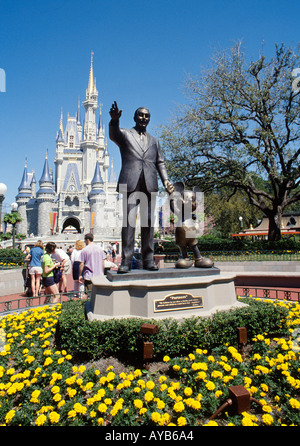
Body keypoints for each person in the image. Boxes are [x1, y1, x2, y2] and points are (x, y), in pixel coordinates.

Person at [109, 101, 174, 273]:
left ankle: (148, 259)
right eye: (141, 115)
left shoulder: (154, 141)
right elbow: (113, 135)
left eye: (147, 116)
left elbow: (160, 162)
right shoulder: (125, 134)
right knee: (129, 223)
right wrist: (115, 121)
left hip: (149, 182)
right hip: (130, 182)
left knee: (148, 223)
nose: (143, 118)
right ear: (135, 117)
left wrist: (166, 180)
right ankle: (126, 261)